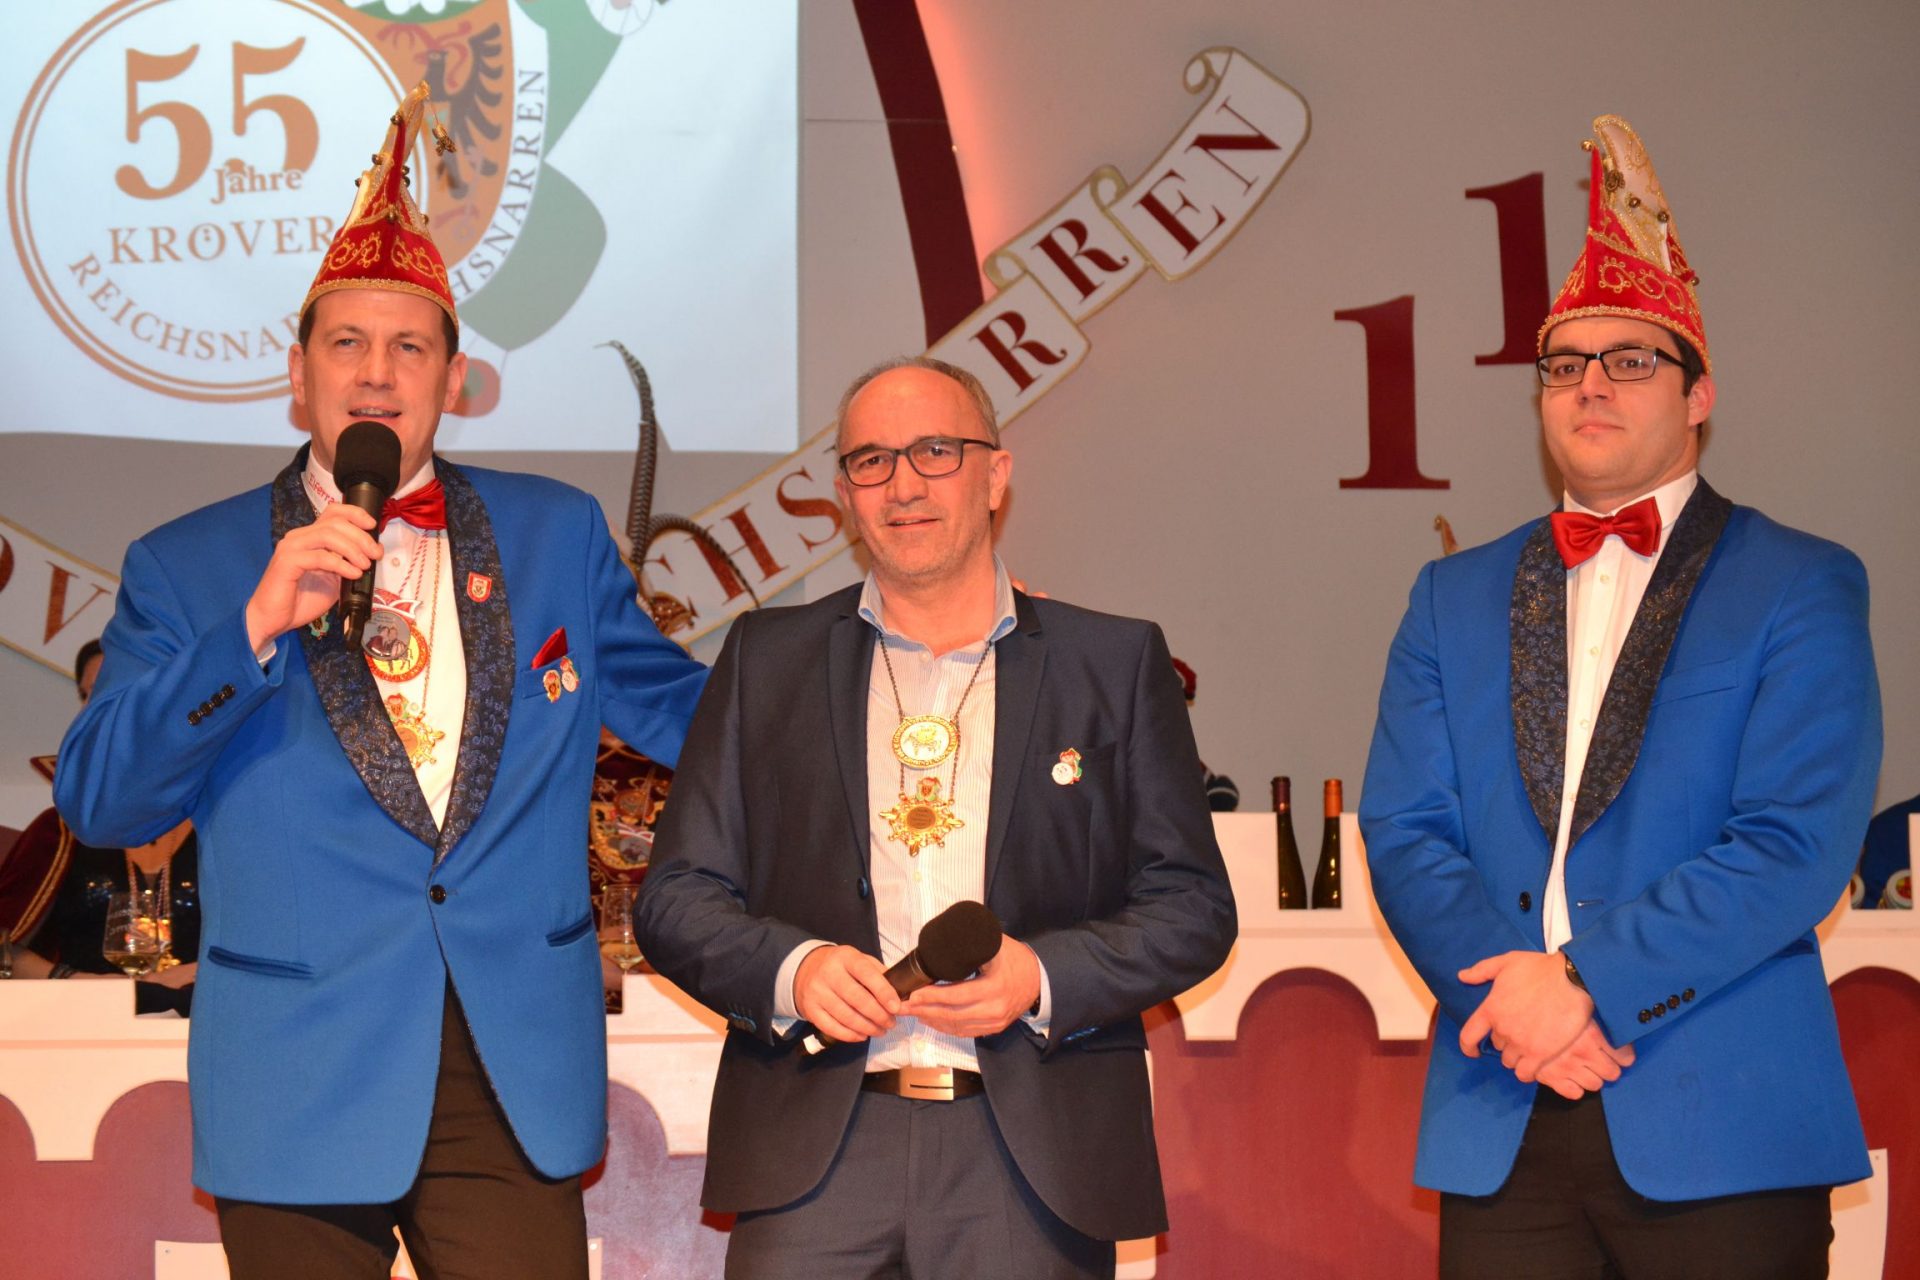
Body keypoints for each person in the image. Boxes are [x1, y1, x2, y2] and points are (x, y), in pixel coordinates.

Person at [54, 83, 706, 1279]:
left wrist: (864, 689)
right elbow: (104, 798)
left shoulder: (555, 533)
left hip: (507, 1063)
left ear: (453, 379)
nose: (377, 371)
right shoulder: (189, 564)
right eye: (346, 342)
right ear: (296, 373)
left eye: (411, 346)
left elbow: (690, 714)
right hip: (296, 1064)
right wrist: (254, 627)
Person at [1360, 115, 1881, 1277]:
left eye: (1631, 360)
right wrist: (1519, 1008)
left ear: (1700, 396)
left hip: (1721, 1113)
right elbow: (1406, 829)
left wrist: (1584, 984)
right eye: (1564, 365)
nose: (1590, 385)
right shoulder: (1452, 594)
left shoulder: (1798, 581)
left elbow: (1793, 844)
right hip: (1504, 1103)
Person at [634, 355, 1237, 1280]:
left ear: (996, 476)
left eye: (936, 452)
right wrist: (795, 970)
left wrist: (1041, 976)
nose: (904, 484)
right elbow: (678, 897)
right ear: (846, 495)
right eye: (872, 461)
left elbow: (1193, 907)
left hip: (1031, 1159)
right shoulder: (766, 660)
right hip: (815, 1158)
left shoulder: (1111, 663)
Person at [1, 641, 200, 1009]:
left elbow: (276, 936)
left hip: (205, 1021)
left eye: (112, 686)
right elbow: (5, 945)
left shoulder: (225, 823)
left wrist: (199, 974)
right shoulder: (58, 831)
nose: (95, 706)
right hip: (79, 1021)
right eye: (87, 695)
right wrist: (76, 983)